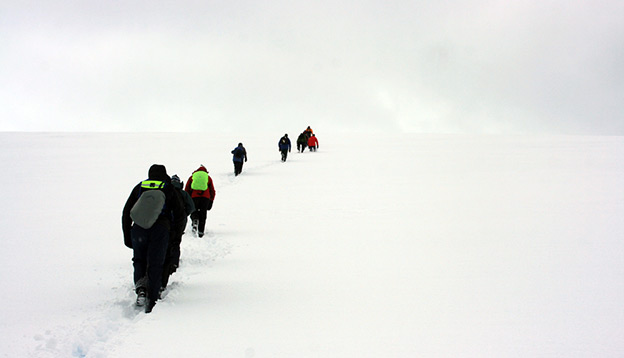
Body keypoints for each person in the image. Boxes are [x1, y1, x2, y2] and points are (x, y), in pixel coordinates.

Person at [122, 164, 185, 313]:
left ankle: (141, 289)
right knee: (156, 262)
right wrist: (176, 236)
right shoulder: (168, 188)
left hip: (138, 229)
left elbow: (126, 212)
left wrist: (127, 235)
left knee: (139, 260)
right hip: (160, 229)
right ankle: (153, 297)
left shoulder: (140, 187)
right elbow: (180, 214)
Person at [161, 174, 195, 291]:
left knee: (166, 242)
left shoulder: (166, 191)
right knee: (176, 242)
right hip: (180, 222)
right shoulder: (183, 193)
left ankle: (165, 262)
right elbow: (191, 206)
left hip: (165, 222)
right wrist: (184, 214)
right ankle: (174, 263)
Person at [185, 165, 216, 238]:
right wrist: (211, 200)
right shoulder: (208, 178)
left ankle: (195, 220)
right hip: (205, 197)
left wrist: (187, 199)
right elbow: (212, 191)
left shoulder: (192, 177)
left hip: (194, 196)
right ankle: (201, 231)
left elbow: (187, 188)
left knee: (194, 210)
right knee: (203, 213)